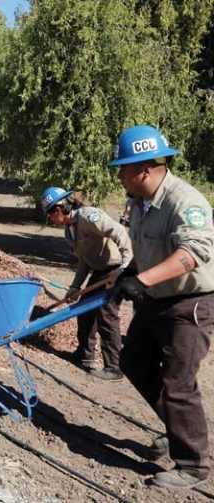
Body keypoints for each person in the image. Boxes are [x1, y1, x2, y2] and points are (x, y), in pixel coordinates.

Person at [110, 124, 214, 489]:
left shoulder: (185, 201)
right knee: (133, 361)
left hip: (189, 303)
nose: (118, 174)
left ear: (144, 168)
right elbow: (147, 247)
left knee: (178, 383)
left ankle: (193, 465)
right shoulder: (138, 203)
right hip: (156, 299)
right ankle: (177, 430)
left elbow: (193, 254)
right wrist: (129, 274)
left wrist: (142, 281)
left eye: (122, 167)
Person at [40, 187, 132, 379]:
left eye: (50, 213)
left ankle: (114, 366)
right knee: (84, 309)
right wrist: (75, 287)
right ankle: (85, 354)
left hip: (114, 268)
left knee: (106, 314)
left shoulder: (89, 217)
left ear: (59, 209)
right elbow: (85, 260)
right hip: (99, 270)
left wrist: (124, 266)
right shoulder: (69, 231)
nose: (49, 218)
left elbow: (119, 232)